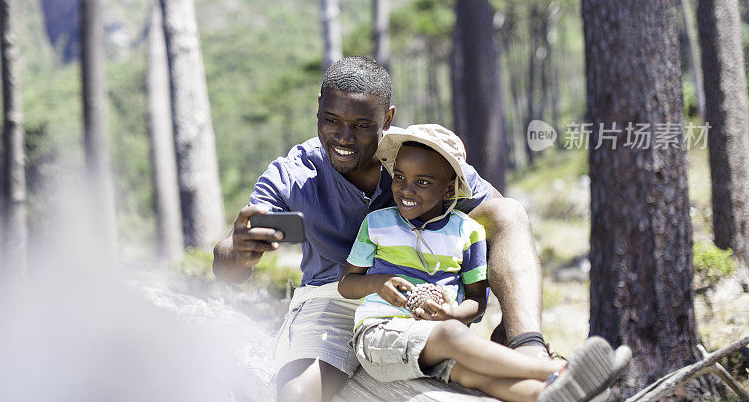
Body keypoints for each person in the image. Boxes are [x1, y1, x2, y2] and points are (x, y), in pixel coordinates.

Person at [212, 56, 546, 401]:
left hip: (413, 300)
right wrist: (238, 251)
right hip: (331, 302)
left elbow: (503, 223)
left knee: (508, 211)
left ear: (387, 118)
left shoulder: (420, 158)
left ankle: (532, 353)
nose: (343, 137)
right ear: (318, 108)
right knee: (297, 395)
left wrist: (508, 319)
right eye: (331, 120)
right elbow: (225, 268)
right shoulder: (293, 174)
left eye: (361, 125)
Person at [338, 124, 630, 401]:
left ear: (450, 190)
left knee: (477, 376)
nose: (405, 190)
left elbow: (477, 299)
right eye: (399, 177)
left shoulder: (468, 232)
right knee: (451, 335)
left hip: (437, 340)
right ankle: (558, 371)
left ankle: (549, 394)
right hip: (380, 333)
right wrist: (378, 283)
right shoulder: (377, 224)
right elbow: (347, 283)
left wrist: (452, 313)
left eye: (422, 182)